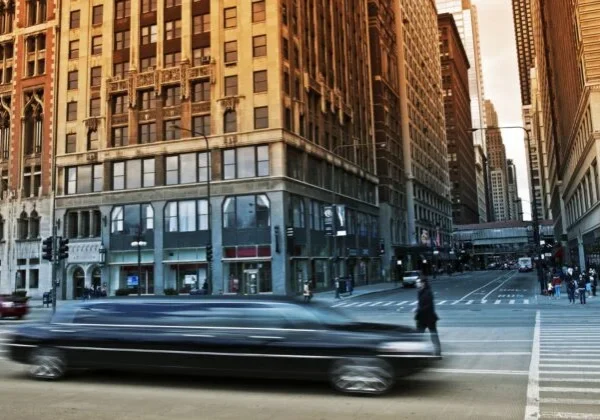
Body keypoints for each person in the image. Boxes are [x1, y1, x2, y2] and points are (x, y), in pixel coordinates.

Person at [415, 276, 441, 356]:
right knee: (419, 336)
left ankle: (438, 353)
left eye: (418, 282)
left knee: (433, 336)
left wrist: (418, 310)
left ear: (423, 283)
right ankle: (417, 352)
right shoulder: (420, 291)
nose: (417, 284)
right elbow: (421, 304)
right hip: (422, 318)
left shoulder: (428, 292)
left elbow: (428, 306)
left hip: (429, 318)